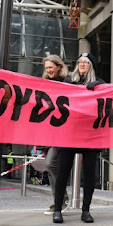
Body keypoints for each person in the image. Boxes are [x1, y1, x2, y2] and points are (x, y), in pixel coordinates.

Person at [52, 53, 104, 224]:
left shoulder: (100, 83)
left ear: (91, 66)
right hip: (70, 133)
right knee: (62, 172)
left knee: (89, 175)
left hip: (90, 134)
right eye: (80, 62)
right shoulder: (68, 81)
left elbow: (109, 93)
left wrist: (98, 86)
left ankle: (86, 210)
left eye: (86, 62)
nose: (82, 64)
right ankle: (58, 209)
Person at [41, 55, 69, 215]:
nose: (48, 70)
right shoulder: (44, 83)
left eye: (51, 67)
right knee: (49, 165)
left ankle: (62, 197)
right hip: (48, 130)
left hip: (61, 130)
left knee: (51, 163)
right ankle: (58, 200)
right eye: (47, 68)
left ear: (59, 66)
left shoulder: (67, 82)